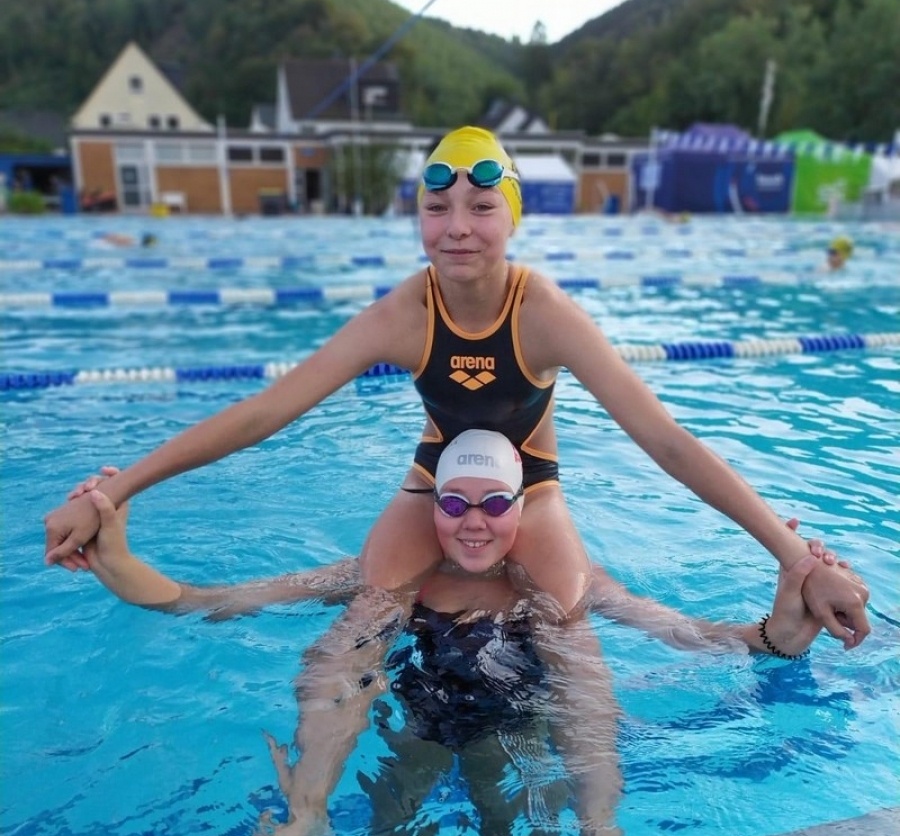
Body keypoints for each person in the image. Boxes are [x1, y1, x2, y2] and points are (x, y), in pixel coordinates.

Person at [44, 126, 869, 646]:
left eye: (481, 206)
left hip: (531, 492)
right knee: (357, 628)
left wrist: (796, 556)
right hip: (431, 484)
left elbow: (666, 441)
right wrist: (118, 490)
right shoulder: (404, 314)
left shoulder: (543, 313)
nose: (458, 227)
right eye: (438, 208)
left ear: (512, 216)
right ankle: (304, 817)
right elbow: (266, 411)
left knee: (572, 640)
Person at [81, 431, 826, 836]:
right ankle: (307, 818)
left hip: (518, 740)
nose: (473, 522)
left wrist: (780, 628)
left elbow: (692, 634)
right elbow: (213, 603)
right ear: (431, 506)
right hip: (418, 735)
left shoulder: (564, 584)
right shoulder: (385, 578)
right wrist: (116, 558)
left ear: (521, 509)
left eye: (495, 503)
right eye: (454, 503)